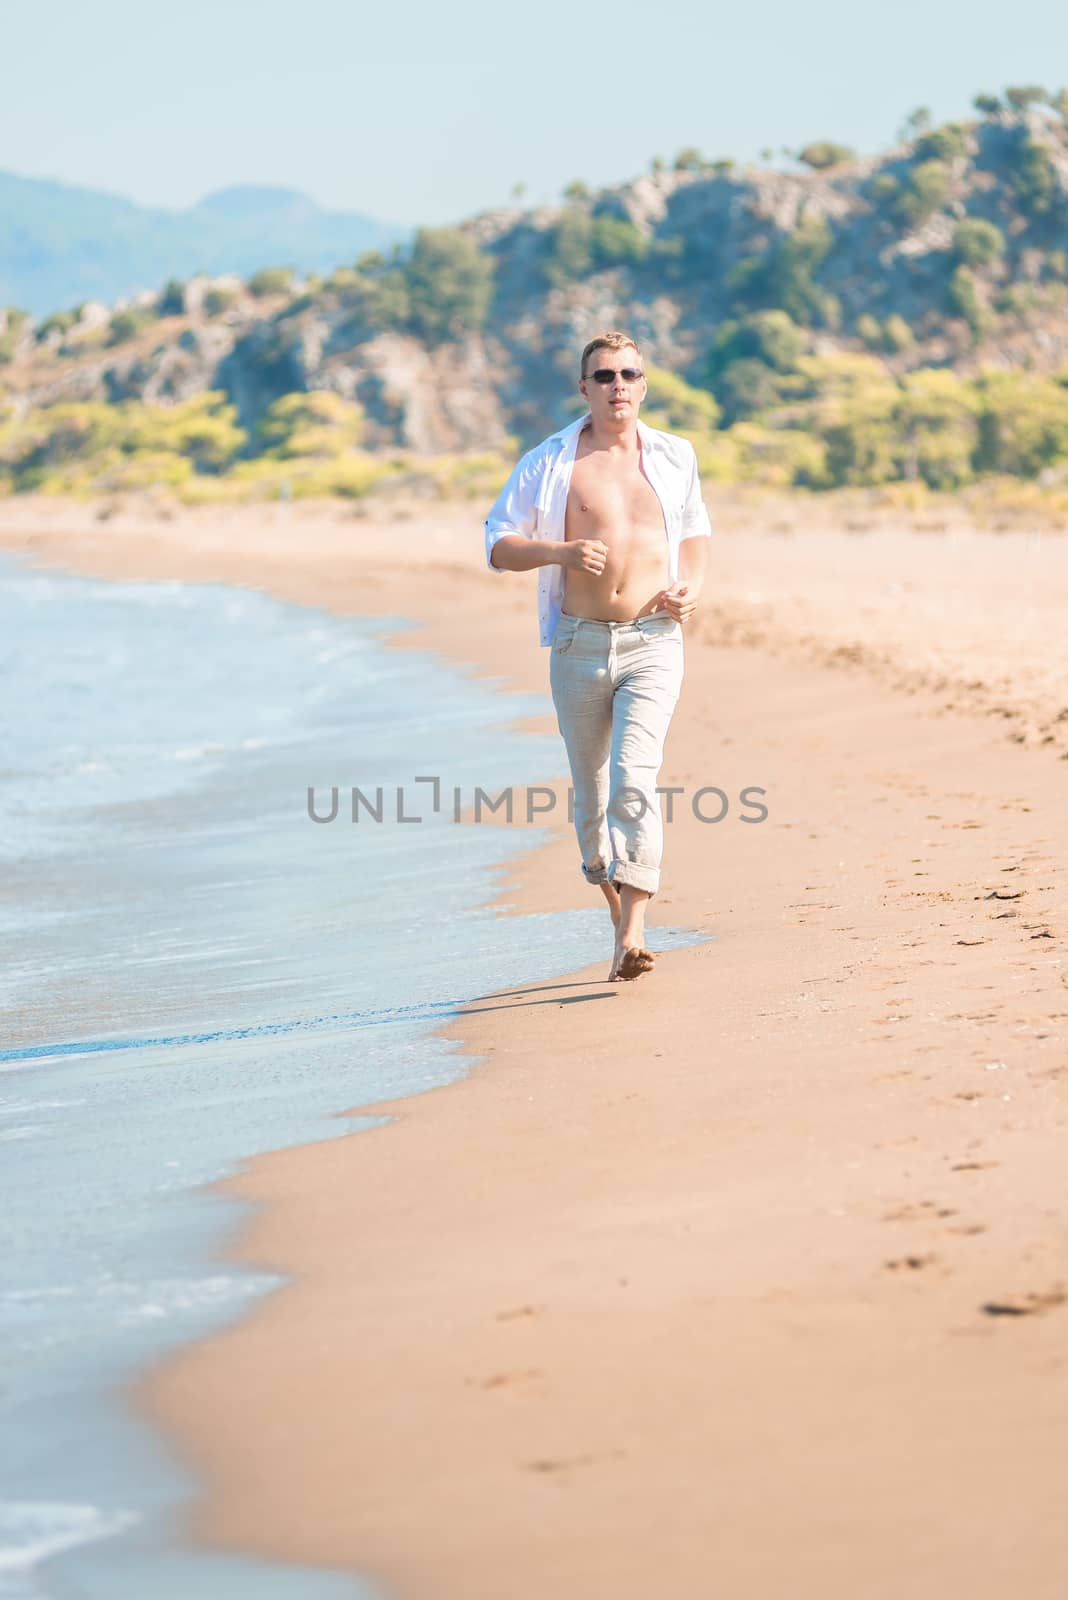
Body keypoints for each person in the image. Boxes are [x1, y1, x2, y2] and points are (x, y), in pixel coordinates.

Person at [484, 330, 711, 981]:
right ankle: (616, 911)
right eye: (605, 375)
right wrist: (556, 552)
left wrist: (691, 588)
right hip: (579, 643)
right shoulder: (552, 462)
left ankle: (635, 931)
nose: (618, 386)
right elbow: (498, 542)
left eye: (629, 375)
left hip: (653, 642)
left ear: (644, 384)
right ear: (583, 388)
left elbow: (695, 532)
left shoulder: (673, 456)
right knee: (592, 801)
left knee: (634, 777)